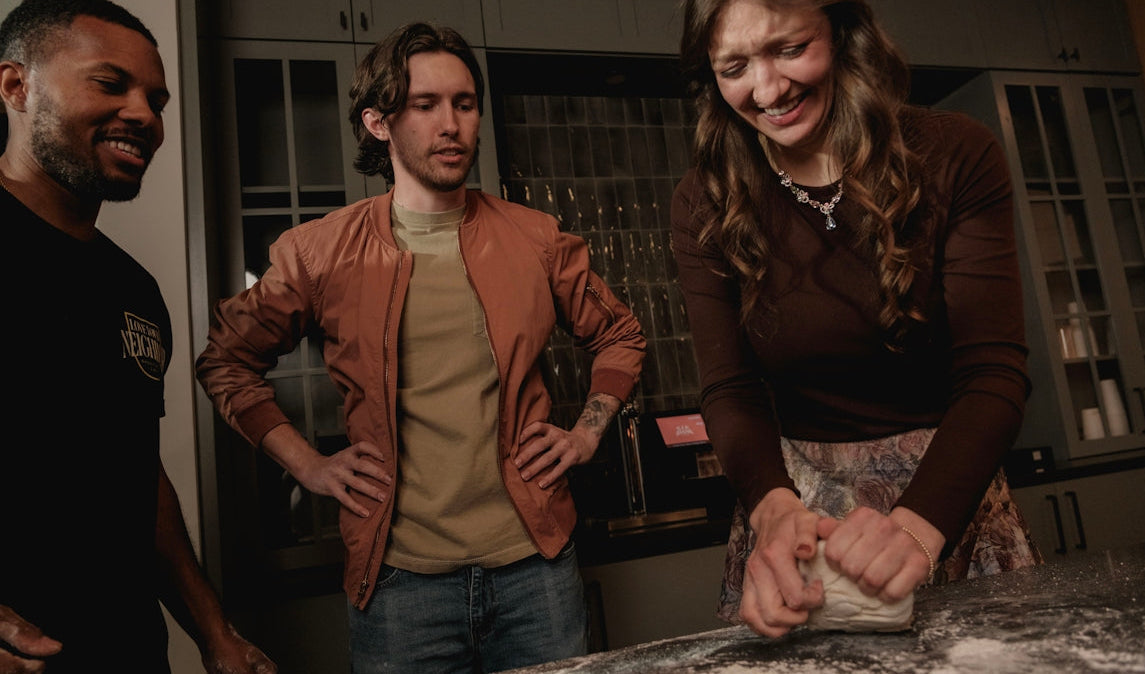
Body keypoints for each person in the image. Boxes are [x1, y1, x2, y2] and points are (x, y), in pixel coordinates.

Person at [194, 21, 646, 674]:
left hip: (536, 570)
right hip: (401, 586)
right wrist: (306, 464)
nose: (452, 124)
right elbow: (226, 361)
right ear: (379, 122)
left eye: (464, 104)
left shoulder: (535, 237)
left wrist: (585, 434)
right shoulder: (321, 251)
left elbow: (620, 335)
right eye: (426, 105)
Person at [670, 0, 1043, 638]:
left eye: (789, 49)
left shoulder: (956, 153)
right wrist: (772, 507)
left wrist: (918, 528)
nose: (767, 90)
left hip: (947, 494)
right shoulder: (704, 201)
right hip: (795, 509)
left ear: (842, 34)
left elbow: (992, 373)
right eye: (734, 67)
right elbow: (730, 389)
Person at [0, 1, 277, 672]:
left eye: (156, 99)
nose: (145, 115)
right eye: (110, 83)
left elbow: (134, 471)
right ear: (16, 87)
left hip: (128, 651)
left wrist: (214, 631)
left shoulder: (135, 292)